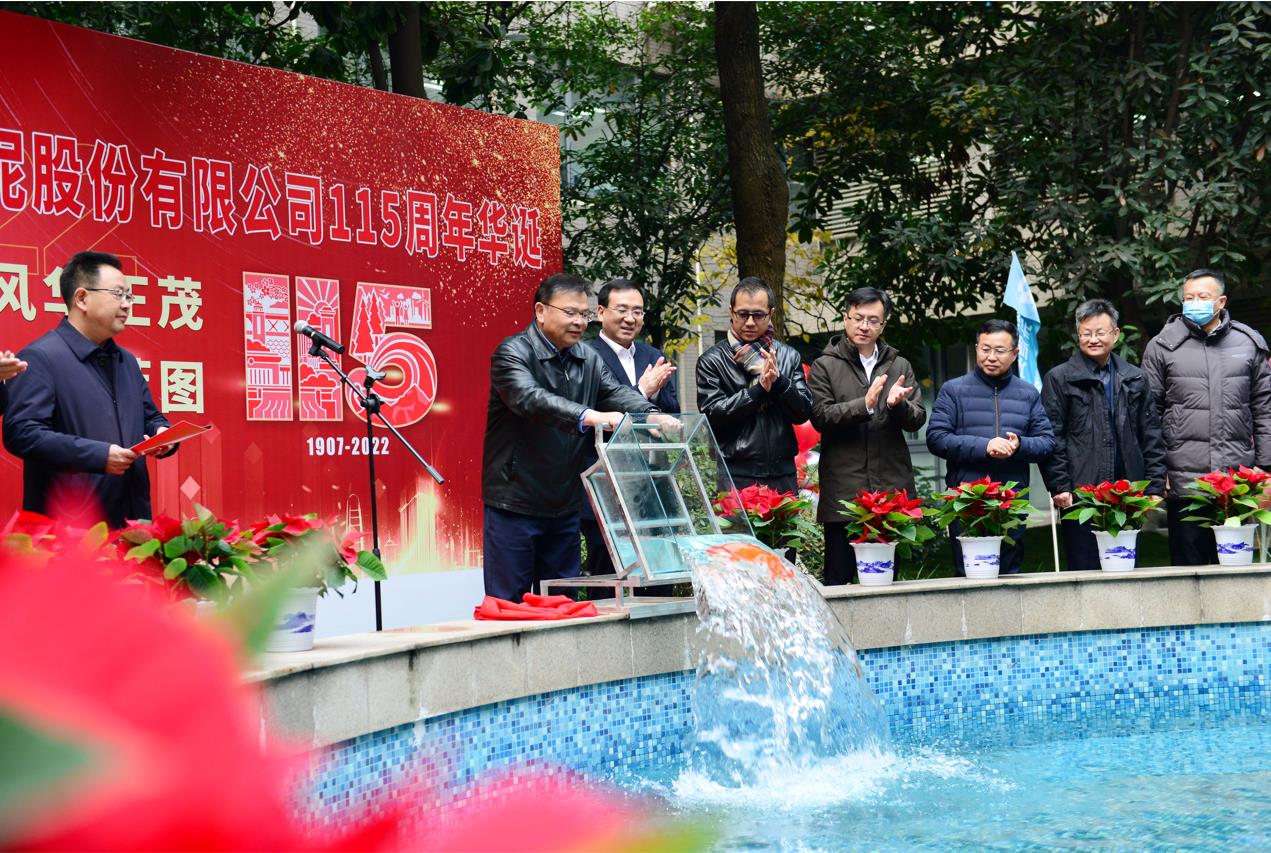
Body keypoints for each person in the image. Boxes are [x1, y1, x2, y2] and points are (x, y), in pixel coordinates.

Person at [482, 272, 664, 602]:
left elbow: (615, 393)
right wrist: (589, 416)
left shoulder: (587, 357)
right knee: (509, 606)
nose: (580, 322)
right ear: (541, 311)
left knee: (562, 605)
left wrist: (649, 413)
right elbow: (530, 398)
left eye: (584, 314)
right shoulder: (512, 353)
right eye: (570, 313)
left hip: (564, 505)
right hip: (515, 502)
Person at [3, 251, 173, 528]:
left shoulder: (126, 361)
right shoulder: (40, 358)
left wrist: (161, 433)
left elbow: (150, 416)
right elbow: (22, 434)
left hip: (134, 527)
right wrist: (99, 456)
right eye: (118, 294)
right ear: (81, 298)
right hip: (71, 531)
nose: (127, 305)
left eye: (129, 296)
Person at [1142, 269, 1271, 566]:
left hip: (1236, 480)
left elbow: (1263, 408)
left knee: (1235, 567)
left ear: (1221, 301)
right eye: (1188, 298)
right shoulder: (1162, 346)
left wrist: (1265, 467)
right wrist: (1157, 473)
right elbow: (1149, 417)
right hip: (1184, 479)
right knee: (1189, 570)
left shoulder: (1248, 343)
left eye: (1202, 297)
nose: (1194, 303)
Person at [809, 287, 926, 585]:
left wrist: (897, 406)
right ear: (845, 318)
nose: (865, 326)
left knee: (885, 579)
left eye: (873, 320)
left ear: (883, 325)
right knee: (838, 577)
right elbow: (820, 417)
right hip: (844, 490)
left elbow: (917, 419)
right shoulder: (825, 365)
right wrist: (864, 405)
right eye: (858, 318)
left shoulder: (899, 365)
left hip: (889, 488)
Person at [1041, 299, 1166, 570]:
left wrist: (1154, 486)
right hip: (1079, 491)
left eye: (1100, 332)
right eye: (1086, 333)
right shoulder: (1059, 378)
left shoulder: (1135, 377)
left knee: (1125, 565)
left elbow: (1151, 433)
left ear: (1116, 334)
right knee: (1084, 568)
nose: (1093, 339)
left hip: (1127, 489)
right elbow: (1053, 437)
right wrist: (1059, 485)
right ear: (1078, 335)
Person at [926, 319, 1055, 575]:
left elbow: (1047, 442)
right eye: (985, 349)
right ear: (976, 348)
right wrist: (984, 446)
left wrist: (1019, 446)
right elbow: (937, 438)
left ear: (1015, 353)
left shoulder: (1028, 393)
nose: (991, 357)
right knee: (969, 575)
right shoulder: (953, 390)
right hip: (967, 499)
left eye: (1000, 350)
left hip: (1012, 500)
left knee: (1010, 573)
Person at [581, 279, 679, 584]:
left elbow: (672, 411)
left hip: (652, 485)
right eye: (622, 309)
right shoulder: (586, 356)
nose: (630, 318)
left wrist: (654, 396)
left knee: (658, 578)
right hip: (606, 484)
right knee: (609, 580)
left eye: (637, 311)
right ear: (601, 312)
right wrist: (642, 391)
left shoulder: (652, 356)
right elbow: (589, 412)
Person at [696, 276, 813, 495]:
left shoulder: (789, 356)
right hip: (735, 473)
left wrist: (779, 382)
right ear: (731, 312)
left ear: (771, 313)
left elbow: (803, 412)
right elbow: (713, 416)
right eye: (743, 314)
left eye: (758, 315)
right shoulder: (711, 360)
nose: (750, 322)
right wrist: (757, 391)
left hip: (783, 473)